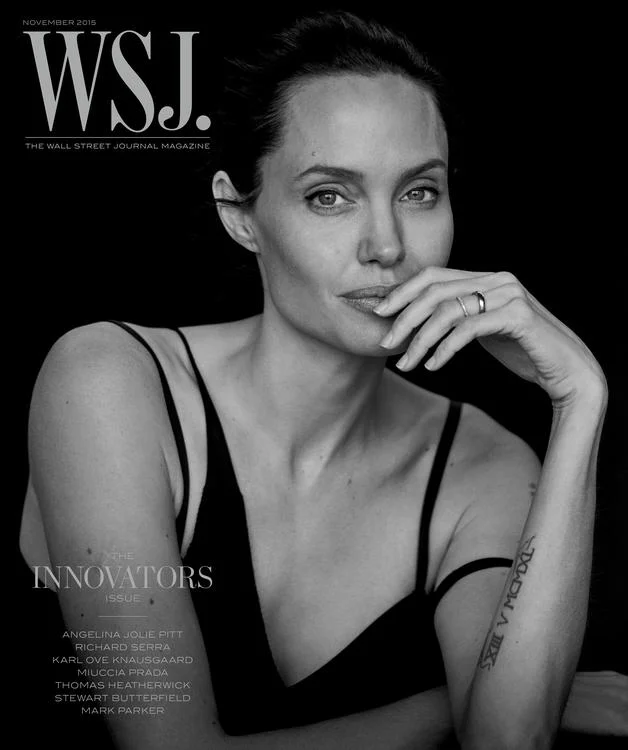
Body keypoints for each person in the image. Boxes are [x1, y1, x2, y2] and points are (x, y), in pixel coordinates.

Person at [19, 9, 626, 749]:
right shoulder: (107, 381)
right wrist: (450, 706)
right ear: (239, 215)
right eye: (329, 195)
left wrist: (580, 400)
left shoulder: (483, 466)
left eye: (419, 192)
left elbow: (509, 739)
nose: (387, 246)